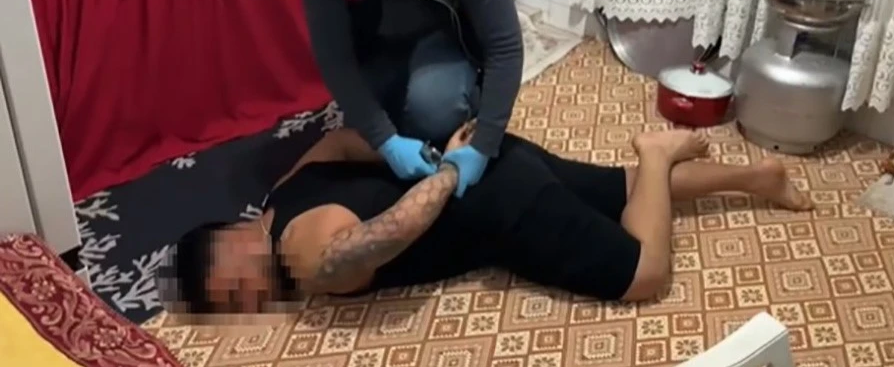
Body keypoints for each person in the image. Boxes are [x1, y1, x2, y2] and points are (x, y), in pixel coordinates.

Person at [158, 125, 813, 320]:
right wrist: (427, 152)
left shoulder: (301, 258)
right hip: (497, 153)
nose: (252, 300)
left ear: (232, 244)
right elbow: (342, 140)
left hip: (501, 204)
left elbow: (388, 233)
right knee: (617, 190)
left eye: (235, 290)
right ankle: (756, 178)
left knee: (644, 273)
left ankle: (658, 151)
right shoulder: (281, 193)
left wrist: (447, 175)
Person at [300, 0, 524, 196]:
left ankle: (466, 98)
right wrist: (386, 141)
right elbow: (333, 57)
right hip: (374, 42)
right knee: (364, 126)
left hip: (441, 37)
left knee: (433, 113)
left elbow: (506, 45)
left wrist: (484, 143)